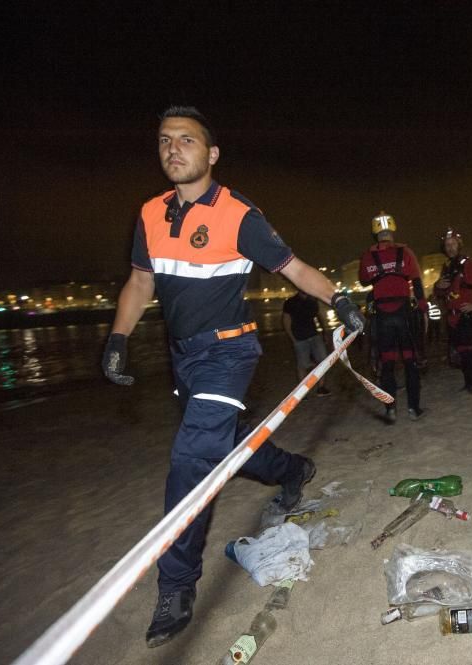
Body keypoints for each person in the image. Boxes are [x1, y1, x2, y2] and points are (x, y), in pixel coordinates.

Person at [100, 106, 366, 647]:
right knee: (225, 446)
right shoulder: (150, 213)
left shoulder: (239, 214)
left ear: (211, 153)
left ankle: (176, 584)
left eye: (187, 141)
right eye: (164, 141)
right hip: (182, 357)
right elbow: (138, 281)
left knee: (191, 459)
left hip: (229, 353)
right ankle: (292, 469)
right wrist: (118, 338)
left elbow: (292, 267)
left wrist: (338, 298)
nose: (174, 149)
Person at [358, 211, 429, 422]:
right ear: (393, 230)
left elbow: (363, 280)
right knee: (410, 360)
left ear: (375, 234)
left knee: (386, 363)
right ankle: (413, 409)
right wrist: (423, 307)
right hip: (403, 312)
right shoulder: (405, 252)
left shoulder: (368, 256)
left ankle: (390, 409)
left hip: (383, 316)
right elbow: (416, 280)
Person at [432, 227, 472, 393]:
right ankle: (468, 384)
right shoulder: (447, 267)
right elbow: (440, 293)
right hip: (451, 318)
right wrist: (437, 287)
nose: (450, 247)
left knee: (469, 351)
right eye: (447, 244)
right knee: (460, 352)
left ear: (459, 245)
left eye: (453, 244)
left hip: (465, 316)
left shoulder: (468, 264)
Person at [282, 290, 332, 395]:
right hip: (299, 338)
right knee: (302, 365)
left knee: (323, 361)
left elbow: (319, 316)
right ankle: (302, 392)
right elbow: (286, 321)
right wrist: (293, 339)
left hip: (314, 335)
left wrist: (324, 332)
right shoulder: (290, 302)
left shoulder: (312, 300)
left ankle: (321, 388)